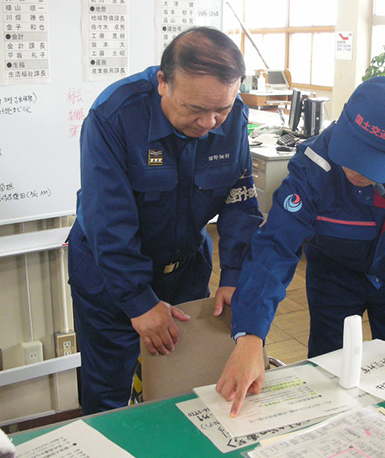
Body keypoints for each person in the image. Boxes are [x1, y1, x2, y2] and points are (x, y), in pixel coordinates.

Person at [216, 76, 385, 417]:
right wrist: (250, 337)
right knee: (328, 376)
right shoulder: (315, 163)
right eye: (350, 154)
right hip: (334, 272)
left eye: (370, 164)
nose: (354, 170)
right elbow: (276, 245)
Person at [68, 27, 263, 414]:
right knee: (108, 391)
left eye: (221, 109)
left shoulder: (232, 113)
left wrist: (234, 276)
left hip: (185, 270)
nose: (209, 122)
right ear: (163, 82)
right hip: (111, 277)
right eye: (194, 109)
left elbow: (240, 200)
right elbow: (108, 220)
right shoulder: (114, 116)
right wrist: (139, 302)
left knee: (184, 387)